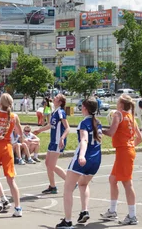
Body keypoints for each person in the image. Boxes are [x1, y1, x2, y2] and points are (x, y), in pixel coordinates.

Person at [55, 97, 102, 228]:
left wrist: (81, 155)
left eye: (82, 106)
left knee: (68, 189)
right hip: (97, 159)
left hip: (84, 158)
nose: (81, 108)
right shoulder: (98, 122)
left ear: (85, 108)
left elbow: (84, 140)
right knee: (83, 184)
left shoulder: (84, 123)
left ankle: (68, 221)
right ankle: (84, 211)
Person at [101, 94, 142, 225]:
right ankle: (113, 211)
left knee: (127, 183)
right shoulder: (131, 118)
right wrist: (130, 147)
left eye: (118, 101)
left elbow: (111, 132)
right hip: (126, 151)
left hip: (124, 151)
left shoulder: (118, 115)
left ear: (120, 104)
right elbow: (139, 138)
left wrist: (98, 129)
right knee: (112, 179)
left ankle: (132, 216)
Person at [33, 94, 70, 194]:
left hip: (58, 141)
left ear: (60, 102)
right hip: (53, 141)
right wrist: (39, 130)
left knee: (51, 165)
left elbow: (67, 127)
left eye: (57, 98)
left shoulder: (61, 112)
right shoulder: (55, 112)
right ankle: (52, 186)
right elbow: (50, 125)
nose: (54, 98)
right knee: (48, 164)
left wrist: (62, 138)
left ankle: (70, 182)